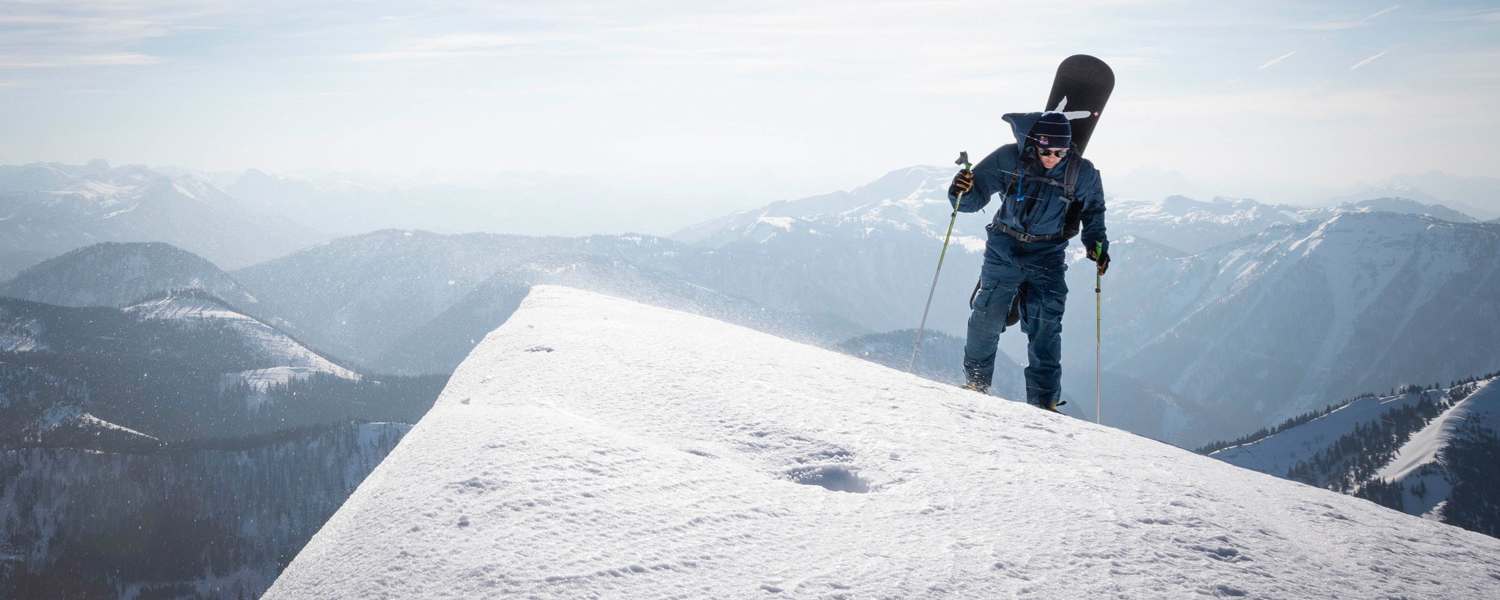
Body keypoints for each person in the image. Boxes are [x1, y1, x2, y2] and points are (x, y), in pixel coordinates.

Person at [947, 111, 1110, 411]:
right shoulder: (1009, 159)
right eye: (1045, 151)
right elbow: (972, 199)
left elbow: (1093, 212)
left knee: (1045, 326)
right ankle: (976, 384)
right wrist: (960, 190)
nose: (1051, 158)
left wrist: (1096, 245)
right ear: (1034, 143)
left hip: (1048, 254)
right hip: (1004, 246)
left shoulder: (1082, 172)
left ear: (1069, 148)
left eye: (1059, 152)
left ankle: (1044, 404)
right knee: (988, 316)